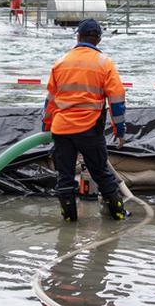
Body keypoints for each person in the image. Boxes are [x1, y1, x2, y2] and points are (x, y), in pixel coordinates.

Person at [44, 18, 128, 222]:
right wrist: (120, 131)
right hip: (89, 128)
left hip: (62, 129)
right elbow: (117, 100)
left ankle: (69, 220)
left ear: (78, 37)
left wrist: (46, 127)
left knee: (64, 177)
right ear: (98, 39)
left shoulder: (61, 62)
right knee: (100, 172)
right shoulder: (104, 63)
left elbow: (50, 101)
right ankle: (118, 215)